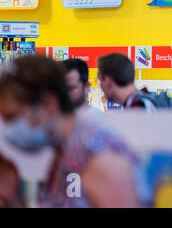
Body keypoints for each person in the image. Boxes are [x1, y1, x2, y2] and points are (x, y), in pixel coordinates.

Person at [0, 56, 147, 207]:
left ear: (49, 102)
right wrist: (13, 197)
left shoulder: (98, 158)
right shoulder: (64, 152)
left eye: (13, 116)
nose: (9, 128)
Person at [97, 54, 172, 112]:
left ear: (108, 82)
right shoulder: (158, 100)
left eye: (100, 80)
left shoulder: (137, 109)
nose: (100, 85)